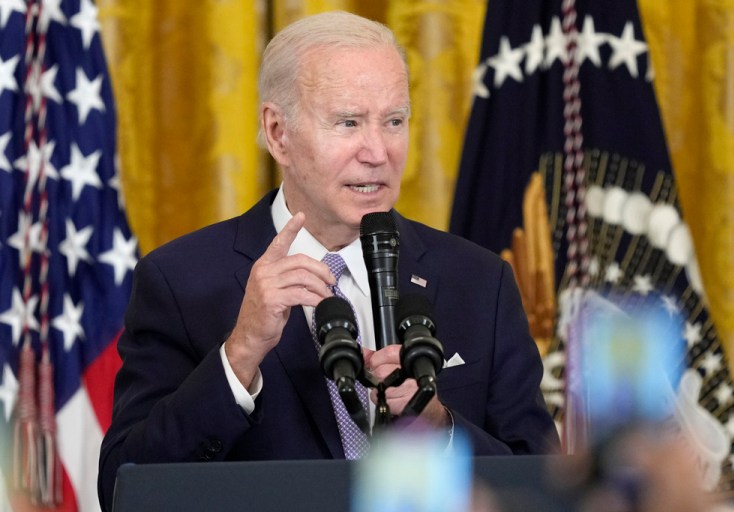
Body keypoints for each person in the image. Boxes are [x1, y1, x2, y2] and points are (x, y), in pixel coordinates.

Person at [97, 10, 559, 510]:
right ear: (278, 134)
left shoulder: (479, 281)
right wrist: (241, 354)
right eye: (348, 123)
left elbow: (540, 486)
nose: (378, 151)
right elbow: (126, 488)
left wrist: (439, 426)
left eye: (394, 121)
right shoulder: (182, 282)